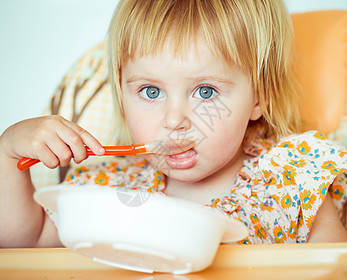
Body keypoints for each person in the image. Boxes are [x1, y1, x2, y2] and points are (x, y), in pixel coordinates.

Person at [0, 0, 346, 247]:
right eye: (151, 91)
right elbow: (27, 243)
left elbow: (331, 274)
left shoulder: (291, 179)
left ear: (259, 97)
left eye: (205, 91)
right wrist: (7, 156)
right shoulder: (109, 187)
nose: (173, 120)